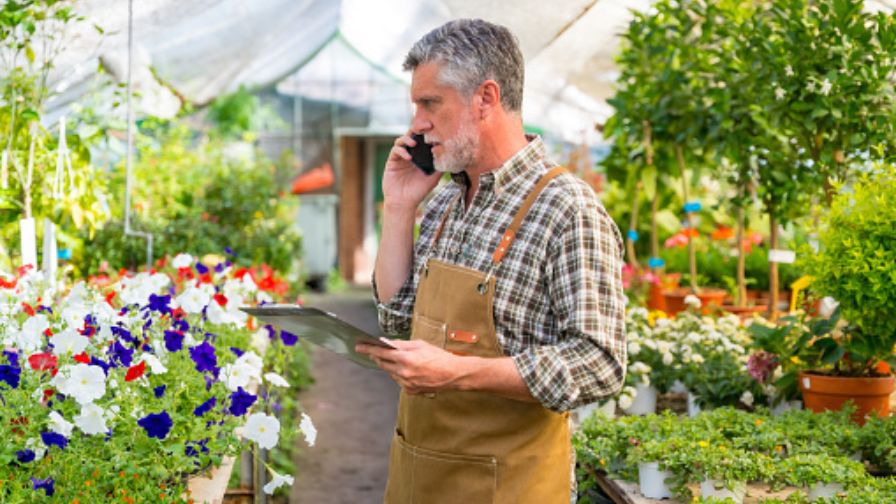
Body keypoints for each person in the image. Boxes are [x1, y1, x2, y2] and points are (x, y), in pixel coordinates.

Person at [355, 18, 626, 504]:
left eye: (430, 103)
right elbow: (397, 323)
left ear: (485, 98)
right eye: (416, 105)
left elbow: (599, 363)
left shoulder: (566, 208)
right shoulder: (441, 201)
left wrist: (458, 372)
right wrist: (398, 207)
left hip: (511, 488)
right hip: (421, 478)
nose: (417, 123)